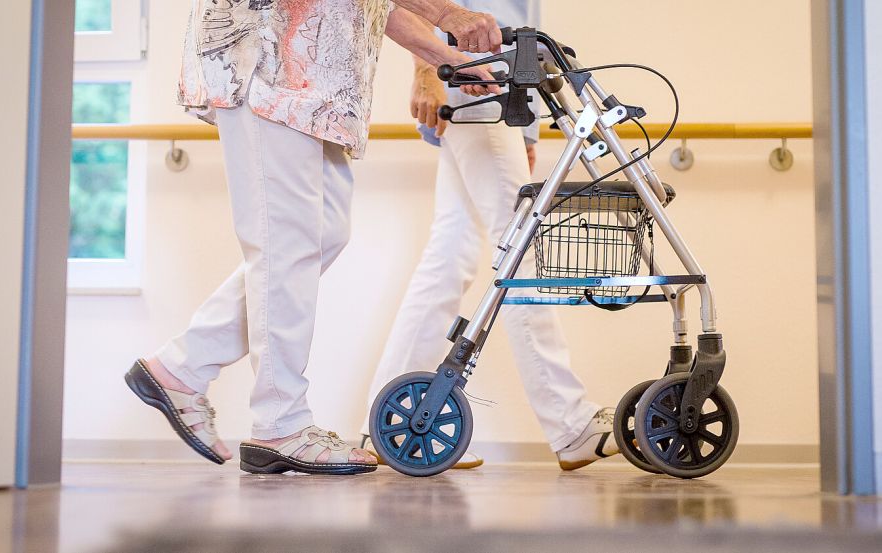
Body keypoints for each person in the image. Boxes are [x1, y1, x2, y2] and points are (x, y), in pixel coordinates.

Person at [124, 0, 507, 476]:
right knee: (286, 243)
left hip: (312, 77)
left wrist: (439, 54)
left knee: (321, 233)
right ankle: (280, 424)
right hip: (269, 61)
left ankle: (180, 368)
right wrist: (448, 15)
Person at [360, 0, 620, 471]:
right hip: (479, 90)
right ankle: (570, 423)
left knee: (450, 255)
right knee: (518, 252)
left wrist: (530, 133)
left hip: (498, 96)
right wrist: (425, 68)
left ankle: (393, 426)